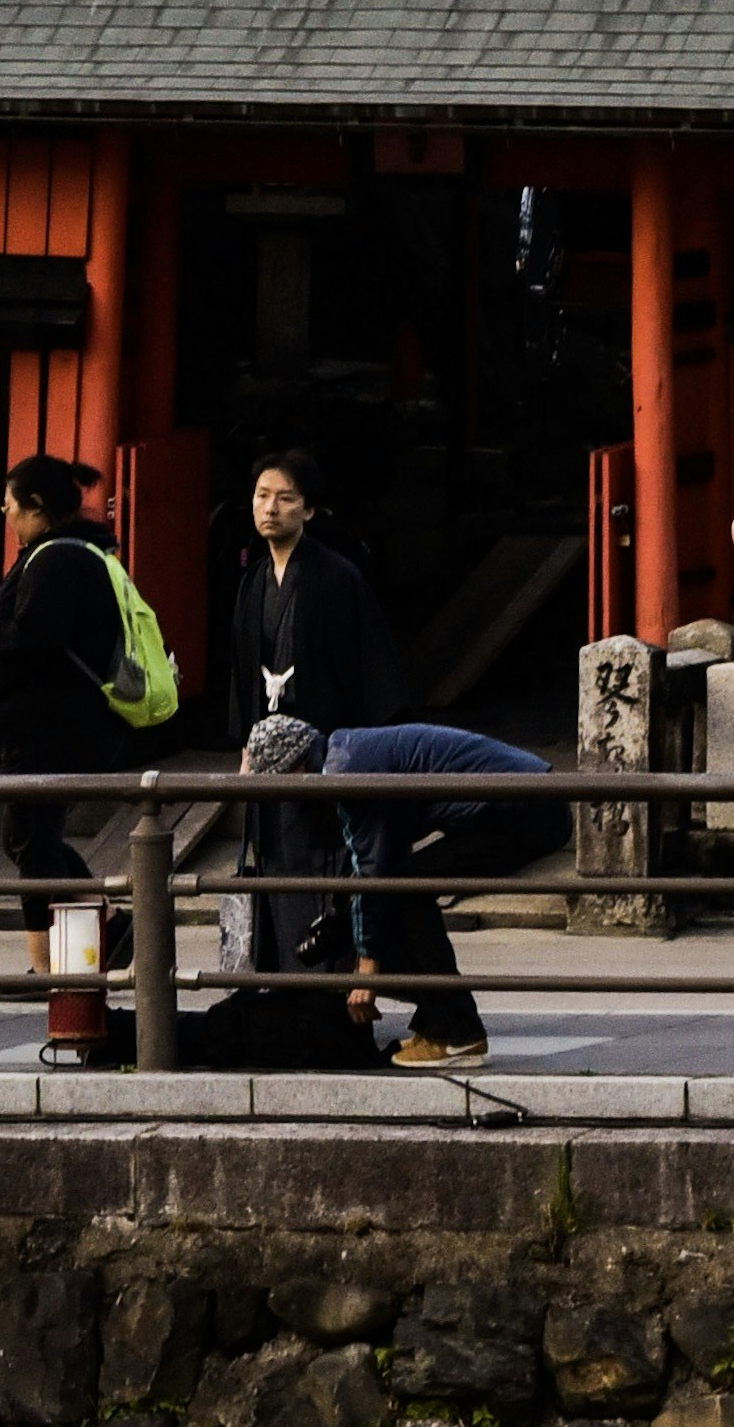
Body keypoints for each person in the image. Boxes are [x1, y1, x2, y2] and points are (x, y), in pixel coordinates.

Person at [238, 711, 564, 1069]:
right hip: (524, 800)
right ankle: (442, 1023)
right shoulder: (345, 753)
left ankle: (457, 1034)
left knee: (406, 892)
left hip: (527, 807)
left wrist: (367, 970)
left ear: (295, 770)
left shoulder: (347, 775)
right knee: (402, 890)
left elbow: (376, 873)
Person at [0, 456, 138, 943]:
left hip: (49, 729)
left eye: (9, 506)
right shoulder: (66, 553)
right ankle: (107, 925)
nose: (6, 516)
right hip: (49, 727)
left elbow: (32, 641)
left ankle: (51, 963)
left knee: (32, 843)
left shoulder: (58, 559)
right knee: (29, 839)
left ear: (36, 506)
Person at [221, 453, 402, 744]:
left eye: (285, 498)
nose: (270, 509)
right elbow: (242, 669)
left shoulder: (337, 576)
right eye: (262, 495)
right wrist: (246, 744)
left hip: (324, 731)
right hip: (266, 729)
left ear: (308, 510)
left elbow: (369, 664)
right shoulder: (252, 581)